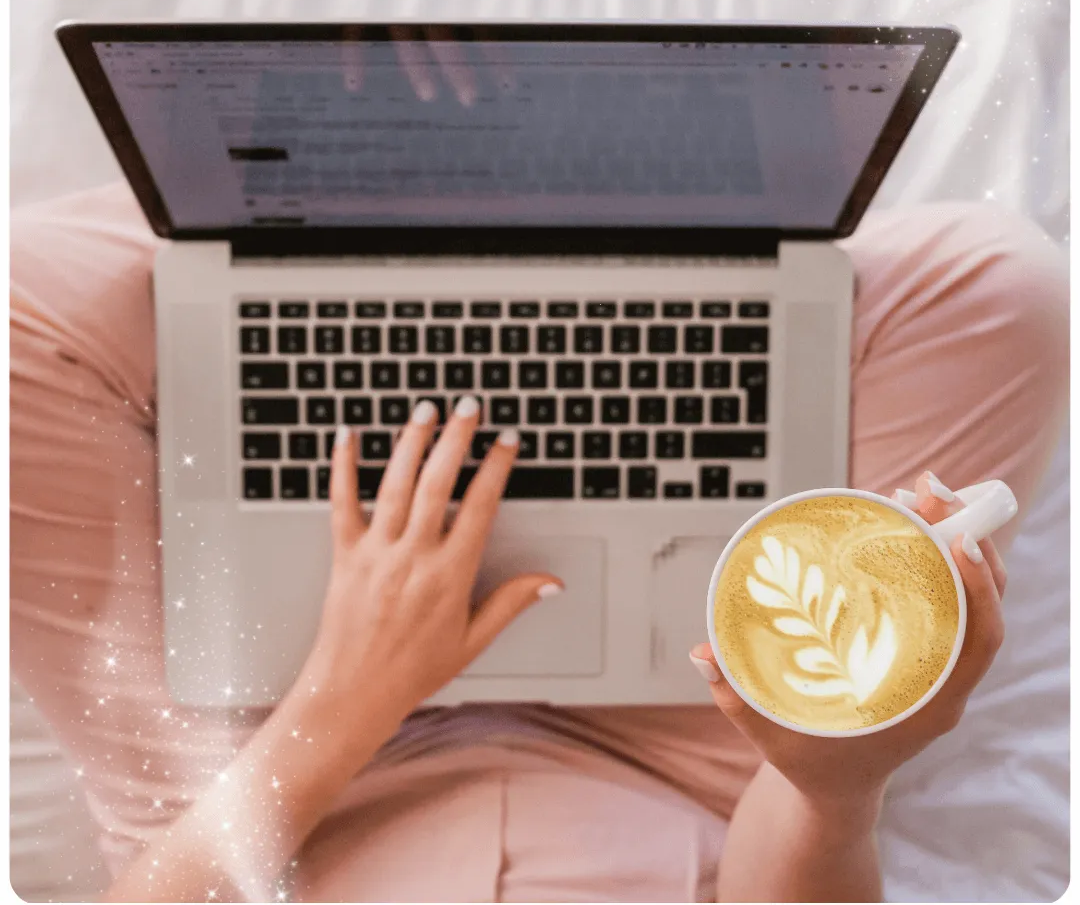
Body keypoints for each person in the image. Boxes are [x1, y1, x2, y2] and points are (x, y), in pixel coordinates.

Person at [10, 181, 1068, 902]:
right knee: (998, 284)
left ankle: (376, 201)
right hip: (695, 772)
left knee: (22, 304)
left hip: (261, 788)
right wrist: (832, 783)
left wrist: (349, 696)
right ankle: (585, 212)